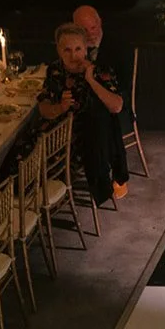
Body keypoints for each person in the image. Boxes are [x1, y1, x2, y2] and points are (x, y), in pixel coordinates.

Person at [38, 23, 129, 207]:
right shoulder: (55, 70)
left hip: (84, 140)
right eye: (67, 50)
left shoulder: (100, 70)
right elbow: (43, 108)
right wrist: (60, 107)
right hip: (55, 132)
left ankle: (42, 200)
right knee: (20, 153)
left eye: (78, 49)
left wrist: (91, 80)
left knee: (35, 164)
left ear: (86, 48)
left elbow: (117, 106)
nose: (73, 56)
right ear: (58, 50)